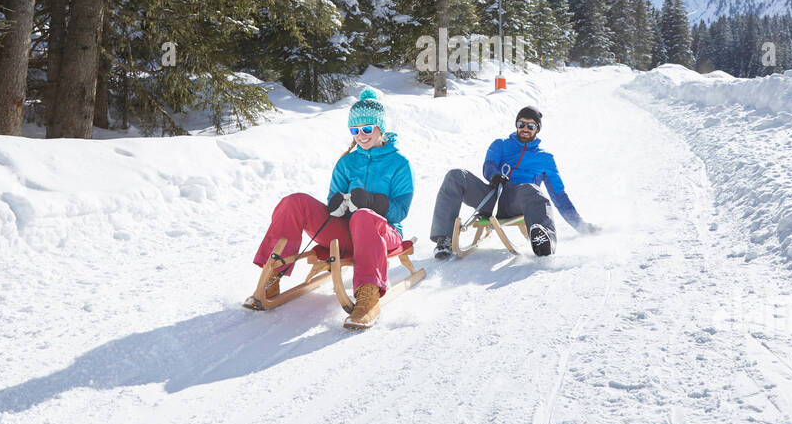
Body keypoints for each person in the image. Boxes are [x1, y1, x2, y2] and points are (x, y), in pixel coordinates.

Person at [250, 88, 413, 328]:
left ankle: (367, 295)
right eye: (355, 130)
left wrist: (372, 202)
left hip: (384, 232)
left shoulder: (399, 163)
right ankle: (272, 273)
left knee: (364, 217)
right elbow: (331, 203)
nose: (361, 135)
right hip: (346, 234)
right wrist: (337, 204)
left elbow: (401, 209)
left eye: (367, 129)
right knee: (295, 202)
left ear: (380, 128)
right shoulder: (346, 162)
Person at [429, 105, 593, 260]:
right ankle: (444, 239)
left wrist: (581, 226)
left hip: (518, 202)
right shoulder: (501, 145)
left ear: (537, 129)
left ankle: (545, 240)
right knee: (456, 175)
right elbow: (489, 165)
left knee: (532, 190)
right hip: (491, 198)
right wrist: (495, 175)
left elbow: (559, 195)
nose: (525, 129)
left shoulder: (545, 159)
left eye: (531, 126)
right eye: (521, 124)